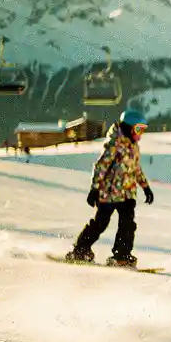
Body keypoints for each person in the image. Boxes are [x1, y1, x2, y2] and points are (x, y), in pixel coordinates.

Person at [65, 109, 154, 267]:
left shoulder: (133, 146)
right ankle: (81, 249)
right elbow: (101, 166)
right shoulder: (114, 144)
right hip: (109, 193)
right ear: (128, 128)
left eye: (142, 130)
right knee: (100, 223)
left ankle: (121, 255)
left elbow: (136, 168)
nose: (140, 134)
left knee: (128, 225)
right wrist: (94, 189)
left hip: (127, 194)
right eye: (138, 129)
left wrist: (145, 187)